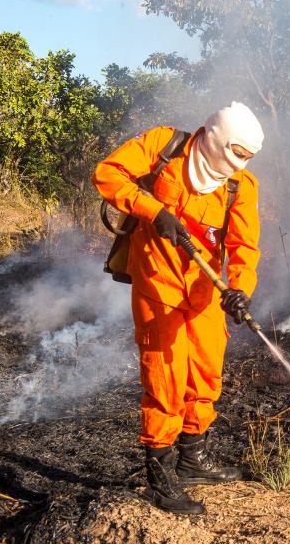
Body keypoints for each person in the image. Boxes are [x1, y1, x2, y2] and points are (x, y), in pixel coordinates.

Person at [93, 102, 264, 515]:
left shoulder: (240, 186)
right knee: (165, 376)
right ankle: (160, 477)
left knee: (206, 373)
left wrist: (239, 290)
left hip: (204, 292)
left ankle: (192, 460)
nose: (238, 165)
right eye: (236, 154)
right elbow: (107, 174)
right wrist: (154, 211)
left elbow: (244, 248)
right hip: (158, 285)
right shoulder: (164, 146)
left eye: (246, 159)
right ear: (215, 138)